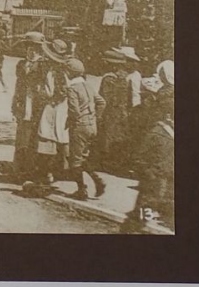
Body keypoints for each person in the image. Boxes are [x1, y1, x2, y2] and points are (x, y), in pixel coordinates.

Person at [122, 60, 174, 232]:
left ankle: (140, 220)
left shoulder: (165, 93)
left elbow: (152, 115)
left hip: (160, 135)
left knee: (150, 186)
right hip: (168, 138)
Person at [63, 57, 107, 200]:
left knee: (74, 160)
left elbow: (74, 110)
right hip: (91, 125)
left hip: (79, 126)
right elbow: (101, 102)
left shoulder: (72, 89)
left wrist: (71, 121)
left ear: (69, 72)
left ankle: (82, 190)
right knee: (83, 156)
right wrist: (95, 117)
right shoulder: (88, 85)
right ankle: (97, 180)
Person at [95, 47, 140, 175]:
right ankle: (116, 161)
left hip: (110, 112)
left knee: (107, 136)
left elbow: (105, 98)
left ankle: (106, 162)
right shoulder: (124, 77)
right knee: (118, 136)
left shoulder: (108, 78)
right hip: (122, 111)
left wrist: (98, 114)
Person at [33, 38, 72, 184]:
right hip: (64, 107)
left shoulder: (52, 73)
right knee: (62, 137)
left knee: (48, 136)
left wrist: (39, 90)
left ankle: (47, 173)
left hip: (52, 107)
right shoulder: (66, 71)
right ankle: (62, 170)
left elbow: (49, 92)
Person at [11, 32, 46, 179]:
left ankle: (31, 170)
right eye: (29, 48)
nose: (31, 51)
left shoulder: (44, 66)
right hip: (23, 105)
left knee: (34, 138)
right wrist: (14, 105)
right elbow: (18, 86)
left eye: (35, 49)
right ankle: (19, 169)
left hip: (37, 106)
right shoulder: (21, 64)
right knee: (21, 137)